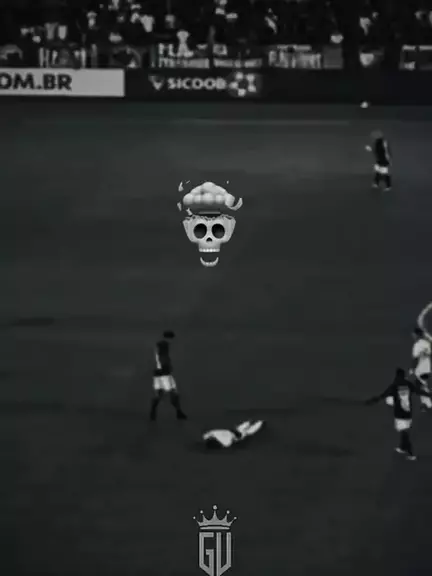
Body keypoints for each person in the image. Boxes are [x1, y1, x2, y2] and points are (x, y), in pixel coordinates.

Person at [364, 368, 431, 460]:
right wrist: (429, 395)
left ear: (397, 376)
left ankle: (411, 454)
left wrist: (372, 401)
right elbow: (418, 391)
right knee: (404, 432)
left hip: (400, 414)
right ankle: (402, 447)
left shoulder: (394, 386)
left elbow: (383, 395)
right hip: (408, 414)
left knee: (404, 433)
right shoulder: (408, 384)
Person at [149, 331, 187, 421]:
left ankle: (153, 412)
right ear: (169, 338)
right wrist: (164, 368)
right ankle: (178, 412)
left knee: (160, 393)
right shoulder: (163, 345)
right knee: (173, 392)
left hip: (159, 373)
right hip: (164, 373)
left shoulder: (159, 344)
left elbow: (157, 357)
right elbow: (161, 357)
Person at [410, 327, 432, 411]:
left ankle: (428, 402)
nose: (412, 336)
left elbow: (415, 359)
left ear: (417, 335)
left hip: (420, 370)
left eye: (413, 334)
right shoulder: (427, 343)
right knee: (422, 386)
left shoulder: (417, 345)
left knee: (418, 387)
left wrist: (412, 369)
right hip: (427, 369)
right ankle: (427, 404)